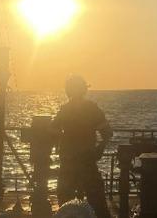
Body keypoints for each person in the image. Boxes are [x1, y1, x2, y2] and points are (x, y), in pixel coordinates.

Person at [52, 75, 112, 218]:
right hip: (86, 159)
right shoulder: (92, 109)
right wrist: (100, 148)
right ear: (84, 89)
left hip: (70, 160)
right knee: (97, 200)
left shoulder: (65, 110)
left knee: (65, 200)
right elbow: (107, 133)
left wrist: (60, 139)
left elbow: (52, 129)